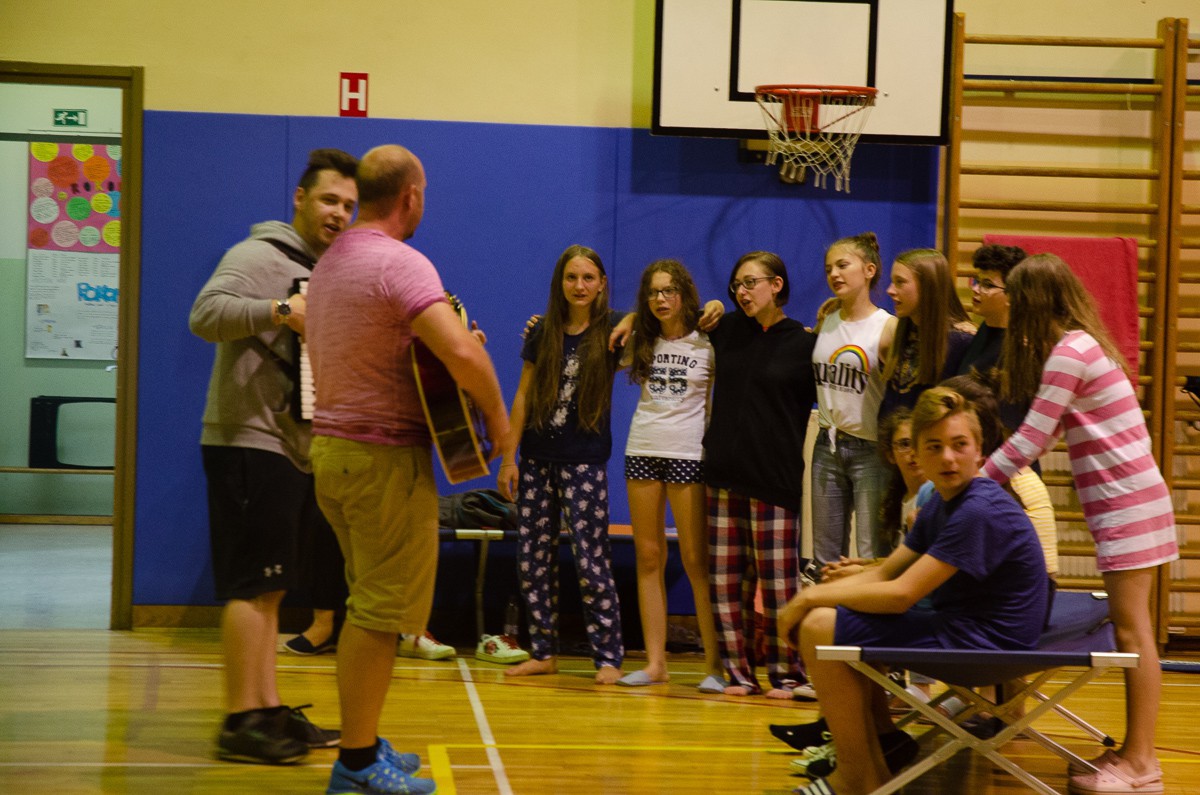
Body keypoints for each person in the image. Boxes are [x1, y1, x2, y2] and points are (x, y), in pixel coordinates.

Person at [306, 144, 509, 795]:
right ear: (411, 196)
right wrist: (502, 425)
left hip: (332, 455)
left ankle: (364, 742)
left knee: (366, 605)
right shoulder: (400, 261)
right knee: (379, 616)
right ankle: (356, 765)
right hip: (383, 462)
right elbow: (463, 356)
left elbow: (387, 349)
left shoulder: (331, 261)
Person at [780, 387, 1050, 795]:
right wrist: (819, 591)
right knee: (834, 611)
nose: (947, 457)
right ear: (918, 456)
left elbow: (900, 594)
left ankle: (855, 779)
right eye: (934, 447)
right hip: (969, 627)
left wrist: (806, 598)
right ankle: (882, 746)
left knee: (820, 626)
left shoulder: (977, 508)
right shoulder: (942, 502)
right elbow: (886, 572)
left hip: (991, 646)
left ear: (980, 452)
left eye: (959, 445)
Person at [983, 253, 1178, 795]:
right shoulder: (1081, 346)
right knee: (1132, 629)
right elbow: (1042, 436)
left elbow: (1030, 439)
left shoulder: (1069, 354)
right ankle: (1135, 752)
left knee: (1134, 632)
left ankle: (1142, 763)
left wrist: (971, 485)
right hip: (1130, 503)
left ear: (1030, 304)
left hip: (1128, 506)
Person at [189, 147, 357, 764]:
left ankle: (266, 708)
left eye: (349, 205)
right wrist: (282, 310)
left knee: (272, 589)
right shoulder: (258, 255)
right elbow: (205, 315)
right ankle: (241, 721)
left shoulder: (321, 267)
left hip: (287, 446)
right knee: (249, 585)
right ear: (300, 198)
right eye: (329, 200)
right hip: (246, 440)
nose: (339, 213)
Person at [496, 244, 626, 684]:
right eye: (572, 277)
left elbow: (652, 321)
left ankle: (607, 656)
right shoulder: (543, 331)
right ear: (560, 283)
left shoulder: (613, 330)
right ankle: (543, 651)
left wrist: (630, 320)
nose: (580, 286)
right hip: (536, 459)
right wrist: (509, 458)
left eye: (588, 278)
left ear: (602, 283)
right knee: (532, 560)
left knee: (591, 560)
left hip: (584, 462)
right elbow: (523, 395)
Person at [702, 251, 817, 698]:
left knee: (778, 586)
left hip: (774, 480)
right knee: (726, 584)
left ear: (777, 284)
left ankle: (788, 673)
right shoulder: (725, 329)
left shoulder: (804, 344)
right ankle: (738, 673)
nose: (742, 292)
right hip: (723, 477)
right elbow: (668, 320)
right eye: (736, 285)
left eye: (751, 283)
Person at [614, 259, 723, 692]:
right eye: (653, 292)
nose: (660, 299)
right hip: (642, 447)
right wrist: (628, 317)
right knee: (648, 557)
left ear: (684, 294)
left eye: (668, 291)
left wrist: (716, 306)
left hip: (687, 453)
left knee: (696, 561)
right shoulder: (640, 338)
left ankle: (715, 665)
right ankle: (656, 663)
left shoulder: (708, 340)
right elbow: (590, 334)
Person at [810, 233, 898, 571]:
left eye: (843, 265)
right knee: (824, 556)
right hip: (827, 444)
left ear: (869, 270)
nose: (834, 274)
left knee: (870, 553)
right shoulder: (827, 319)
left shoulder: (887, 326)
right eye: (828, 268)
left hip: (871, 450)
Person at [878, 248, 974, 423]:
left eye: (900, 282)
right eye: (892, 281)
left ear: (928, 287)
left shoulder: (959, 341)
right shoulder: (905, 331)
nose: (890, 290)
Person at [957, 243, 1032, 435]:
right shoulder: (983, 330)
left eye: (987, 285)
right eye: (976, 281)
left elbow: (1010, 422)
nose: (976, 289)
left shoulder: (1019, 348)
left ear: (1012, 295)